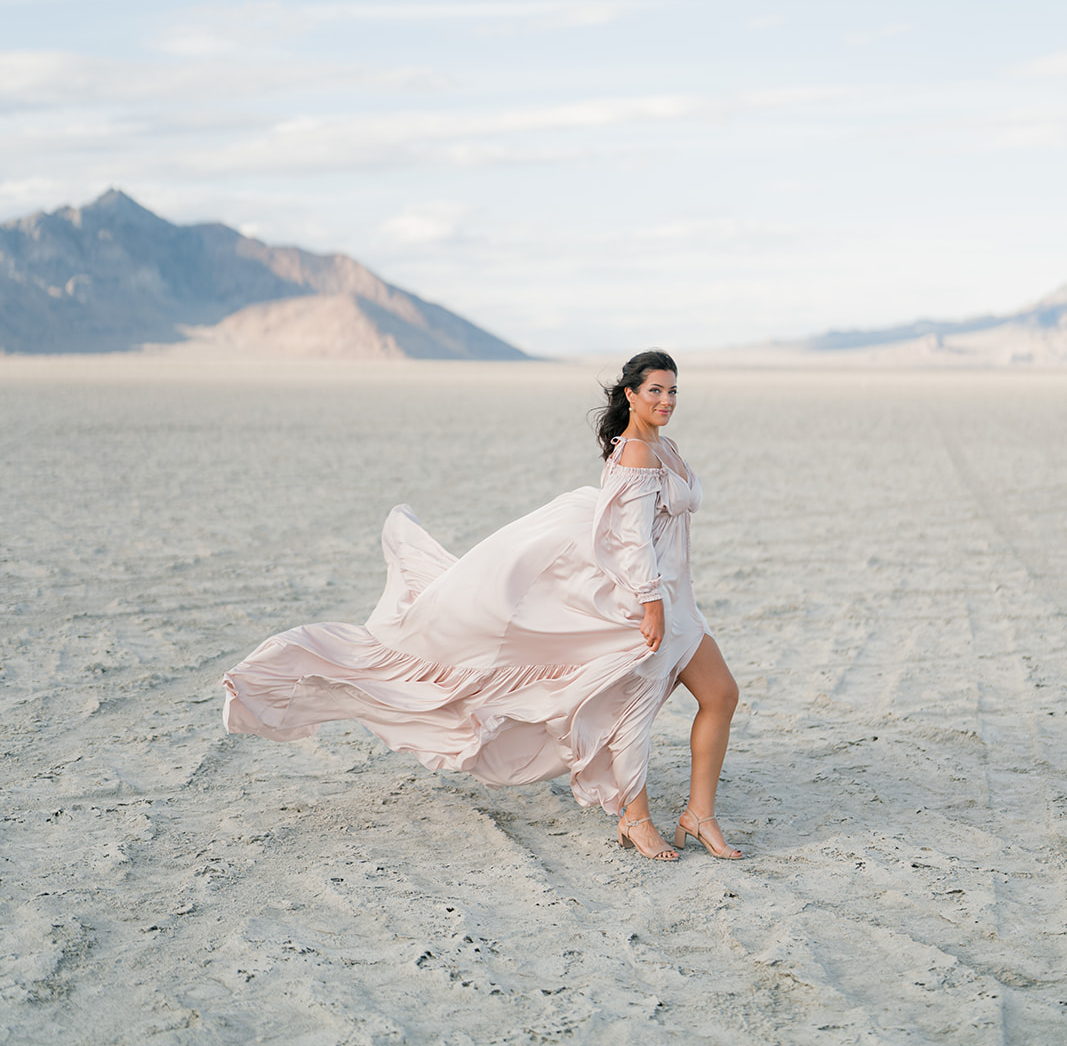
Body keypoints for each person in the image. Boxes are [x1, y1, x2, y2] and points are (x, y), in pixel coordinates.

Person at [223, 350, 741, 862]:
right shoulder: (635, 453)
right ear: (631, 394)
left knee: (720, 693)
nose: (667, 400)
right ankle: (636, 817)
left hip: (676, 596)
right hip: (642, 600)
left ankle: (699, 815)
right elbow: (631, 540)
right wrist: (651, 605)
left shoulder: (663, 446)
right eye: (655, 390)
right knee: (626, 707)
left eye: (673, 390)